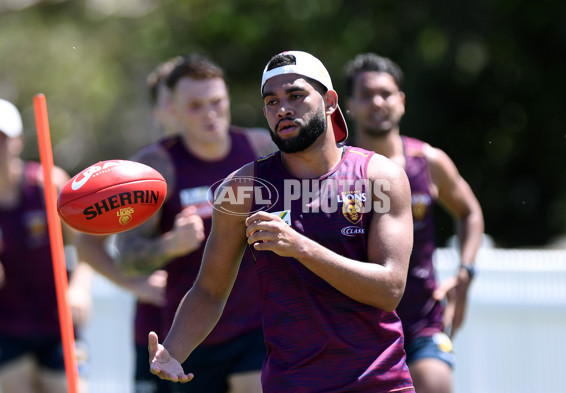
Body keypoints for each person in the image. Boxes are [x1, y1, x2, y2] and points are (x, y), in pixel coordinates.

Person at [148, 50, 416, 392]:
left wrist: (301, 247)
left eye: (296, 96)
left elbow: (389, 289)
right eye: (271, 101)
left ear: (330, 101)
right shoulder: (241, 189)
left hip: (379, 382)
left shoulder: (379, 176)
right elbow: (210, 289)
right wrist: (173, 350)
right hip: (292, 383)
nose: (283, 109)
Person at [115, 53, 276, 393]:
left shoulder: (259, 146)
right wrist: (170, 244)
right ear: (173, 108)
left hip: (256, 327)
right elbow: (127, 257)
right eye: (195, 106)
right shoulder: (155, 165)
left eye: (217, 101)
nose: (210, 113)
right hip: (192, 334)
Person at [343, 53, 485, 393]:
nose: (377, 102)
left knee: (435, 383)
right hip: (356, 326)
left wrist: (466, 272)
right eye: (365, 95)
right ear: (349, 105)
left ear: (401, 102)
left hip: (423, 321)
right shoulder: (339, 169)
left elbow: (470, 212)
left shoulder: (428, 161)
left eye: (386, 93)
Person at [75, 55, 185, 393]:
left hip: (233, 331)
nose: (185, 107)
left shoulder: (234, 158)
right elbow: (86, 242)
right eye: (173, 98)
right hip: (157, 331)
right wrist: (132, 283)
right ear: (159, 111)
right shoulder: (141, 174)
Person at [0, 98, 92, 393]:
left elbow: (87, 245)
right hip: (6, 327)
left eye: (1, 139)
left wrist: (79, 287)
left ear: (18, 141)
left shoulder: (47, 183)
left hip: (59, 322)